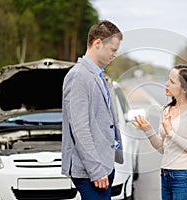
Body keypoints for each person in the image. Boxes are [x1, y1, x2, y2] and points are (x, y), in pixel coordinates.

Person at [61, 20, 123, 200]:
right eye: (113, 49)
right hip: (91, 172)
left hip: (103, 166)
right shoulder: (78, 76)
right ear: (97, 43)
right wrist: (96, 170)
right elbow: (80, 128)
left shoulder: (97, 75)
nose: (115, 54)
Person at [132, 64, 187, 200]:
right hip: (166, 175)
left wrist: (171, 133)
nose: (166, 84)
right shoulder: (166, 109)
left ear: (185, 89)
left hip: (186, 178)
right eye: (168, 79)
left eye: (172, 82)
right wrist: (148, 130)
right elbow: (163, 148)